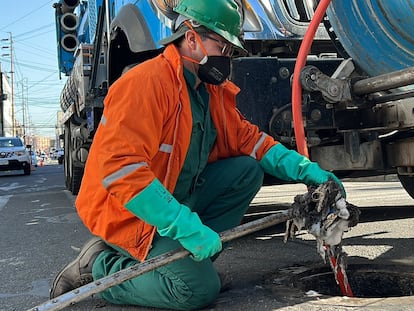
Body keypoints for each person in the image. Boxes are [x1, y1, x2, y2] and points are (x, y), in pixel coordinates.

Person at [49, 0, 345, 310]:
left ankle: (191, 262)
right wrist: (182, 224)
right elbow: (121, 172)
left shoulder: (209, 91)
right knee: (196, 292)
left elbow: (252, 142)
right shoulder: (144, 84)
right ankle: (100, 266)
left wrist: (308, 171)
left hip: (173, 198)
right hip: (130, 213)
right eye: (223, 47)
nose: (227, 57)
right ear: (191, 38)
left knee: (246, 171)